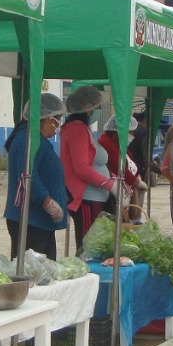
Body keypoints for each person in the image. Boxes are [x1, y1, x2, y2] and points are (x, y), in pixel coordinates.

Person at [3, 92, 69, 259]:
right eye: (58, 119)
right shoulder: (27, 140)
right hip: (30, 220)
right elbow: (27, 175)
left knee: (45, 270)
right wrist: (46, 201)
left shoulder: (37, 139)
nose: (58, 124)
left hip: (41, 221)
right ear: (47, 118)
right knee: (32, 272)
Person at [58, 85, 115, 253]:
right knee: (89, 248)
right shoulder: (77, 129)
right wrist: (109, 185)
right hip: (87, 199)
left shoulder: (83, 129)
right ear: (88, 108)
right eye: (98, 107)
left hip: (96, 197)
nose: (99, 110)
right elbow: (81, 167)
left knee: (98, 246)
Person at [98, 114, 147, 221]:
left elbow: (129, 161)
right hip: (112, 195)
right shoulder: (106, 143)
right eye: (130, 132)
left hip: (124, 193)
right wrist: (136, 182)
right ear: (118, 131)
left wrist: (137, 177)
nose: (132, 135)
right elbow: (117, 166)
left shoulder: (118, 145)